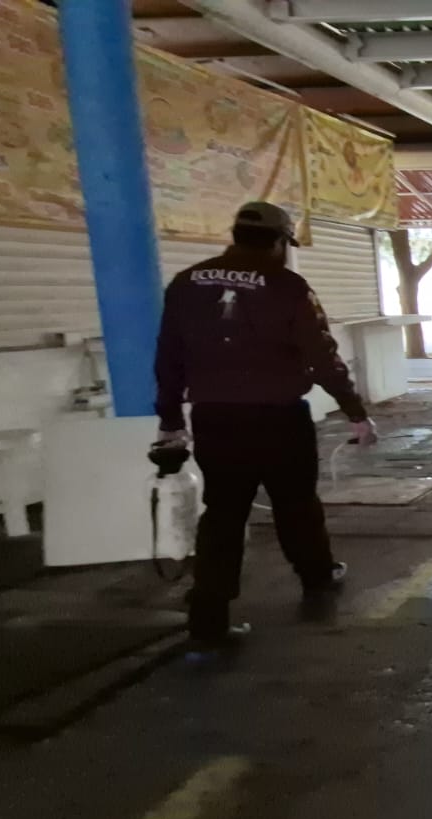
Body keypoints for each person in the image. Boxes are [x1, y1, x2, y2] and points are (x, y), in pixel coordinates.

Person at [155, 201, 378, 648]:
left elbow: (168, 357)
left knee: (222, 515)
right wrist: (355, 411)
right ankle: (316, 577)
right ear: (279, 242)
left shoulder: (185, 283)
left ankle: (208, 621)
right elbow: (323, 358)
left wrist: (171, 420)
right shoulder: (287, 286)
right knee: (296, 504)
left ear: (235, 235)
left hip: (216, 419)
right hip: (279, 419)